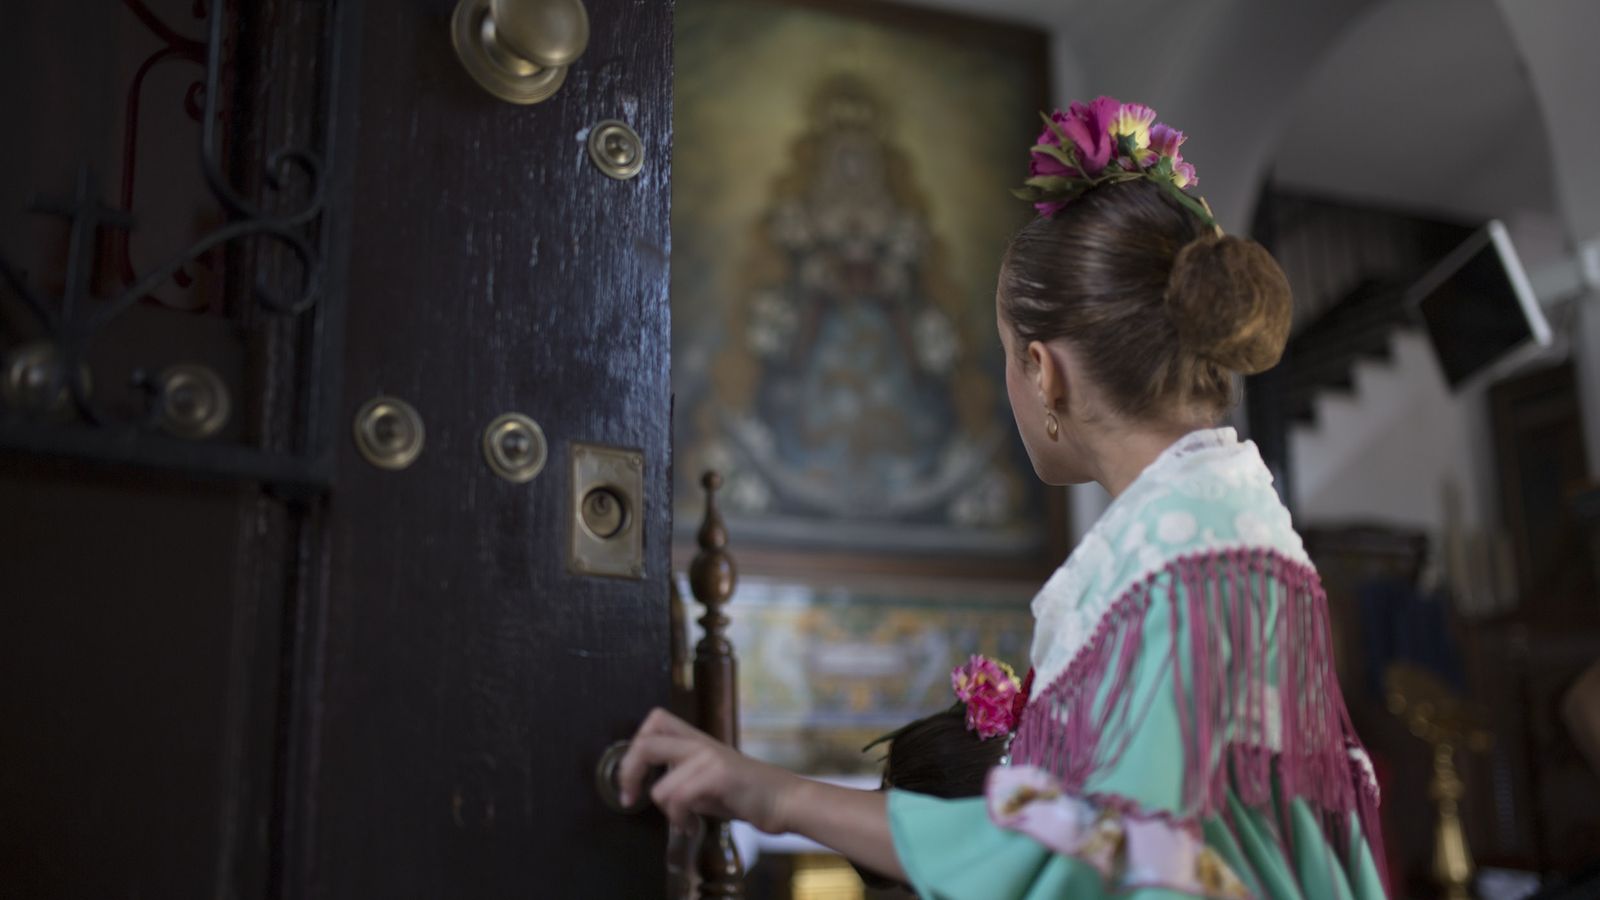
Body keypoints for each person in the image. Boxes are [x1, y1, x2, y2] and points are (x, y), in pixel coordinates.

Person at [619, 96, 1387, 899]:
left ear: (1043, 371)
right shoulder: (1222, 533)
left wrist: (773, 795)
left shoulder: (1181, 566)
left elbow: (1085, 854)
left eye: (1006, 360)